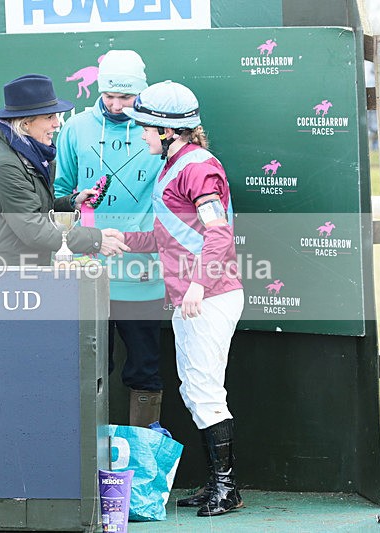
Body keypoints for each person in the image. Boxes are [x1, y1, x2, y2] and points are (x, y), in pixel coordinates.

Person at [120, 80, 245, 517]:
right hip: (191, 297)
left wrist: (196, 285)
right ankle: (218, 484)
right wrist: (121, 239)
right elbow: (167, 234)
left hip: (207, 297)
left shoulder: (198, 167)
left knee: (205, 391)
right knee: (194, 390)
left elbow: (218, 234)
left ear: (168, 131)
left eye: (146, 129)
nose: (141, 135)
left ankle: (227, 490)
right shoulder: (175, 165)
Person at [55, 50, 166, 427]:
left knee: (145, 370)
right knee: (89, 367)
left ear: (142, 92)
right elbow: (59, 193)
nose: (117, 105)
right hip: (88, 272)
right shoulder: (76, 128)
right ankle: (88, 465)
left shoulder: (159, 132)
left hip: (141, 273)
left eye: (127, 97)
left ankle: (143, 463)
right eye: (109, 96)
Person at [0, 74, 128, 267]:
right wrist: (95, 240)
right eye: (49, 117)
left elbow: (35, 207)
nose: (57, 123)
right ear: (25, 124)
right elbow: (34, 231)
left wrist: (72, 202)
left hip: (16, 268)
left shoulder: (31, 155)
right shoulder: (5, 165)